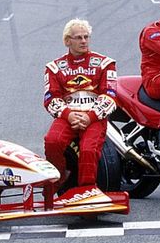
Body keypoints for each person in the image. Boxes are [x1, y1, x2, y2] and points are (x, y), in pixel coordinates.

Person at [43, 19, 117, 192]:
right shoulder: (54, 67)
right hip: (67, 116)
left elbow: (111, 96)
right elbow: (50, 98)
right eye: (78, 38)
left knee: (88, 150)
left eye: (86, 37)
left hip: (94, 117)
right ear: (67, 41)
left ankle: (87, 190)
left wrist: (89, 116)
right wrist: (68, 114)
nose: (84, 41)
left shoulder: (105, 63)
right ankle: (60, 177)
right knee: (52, 141)